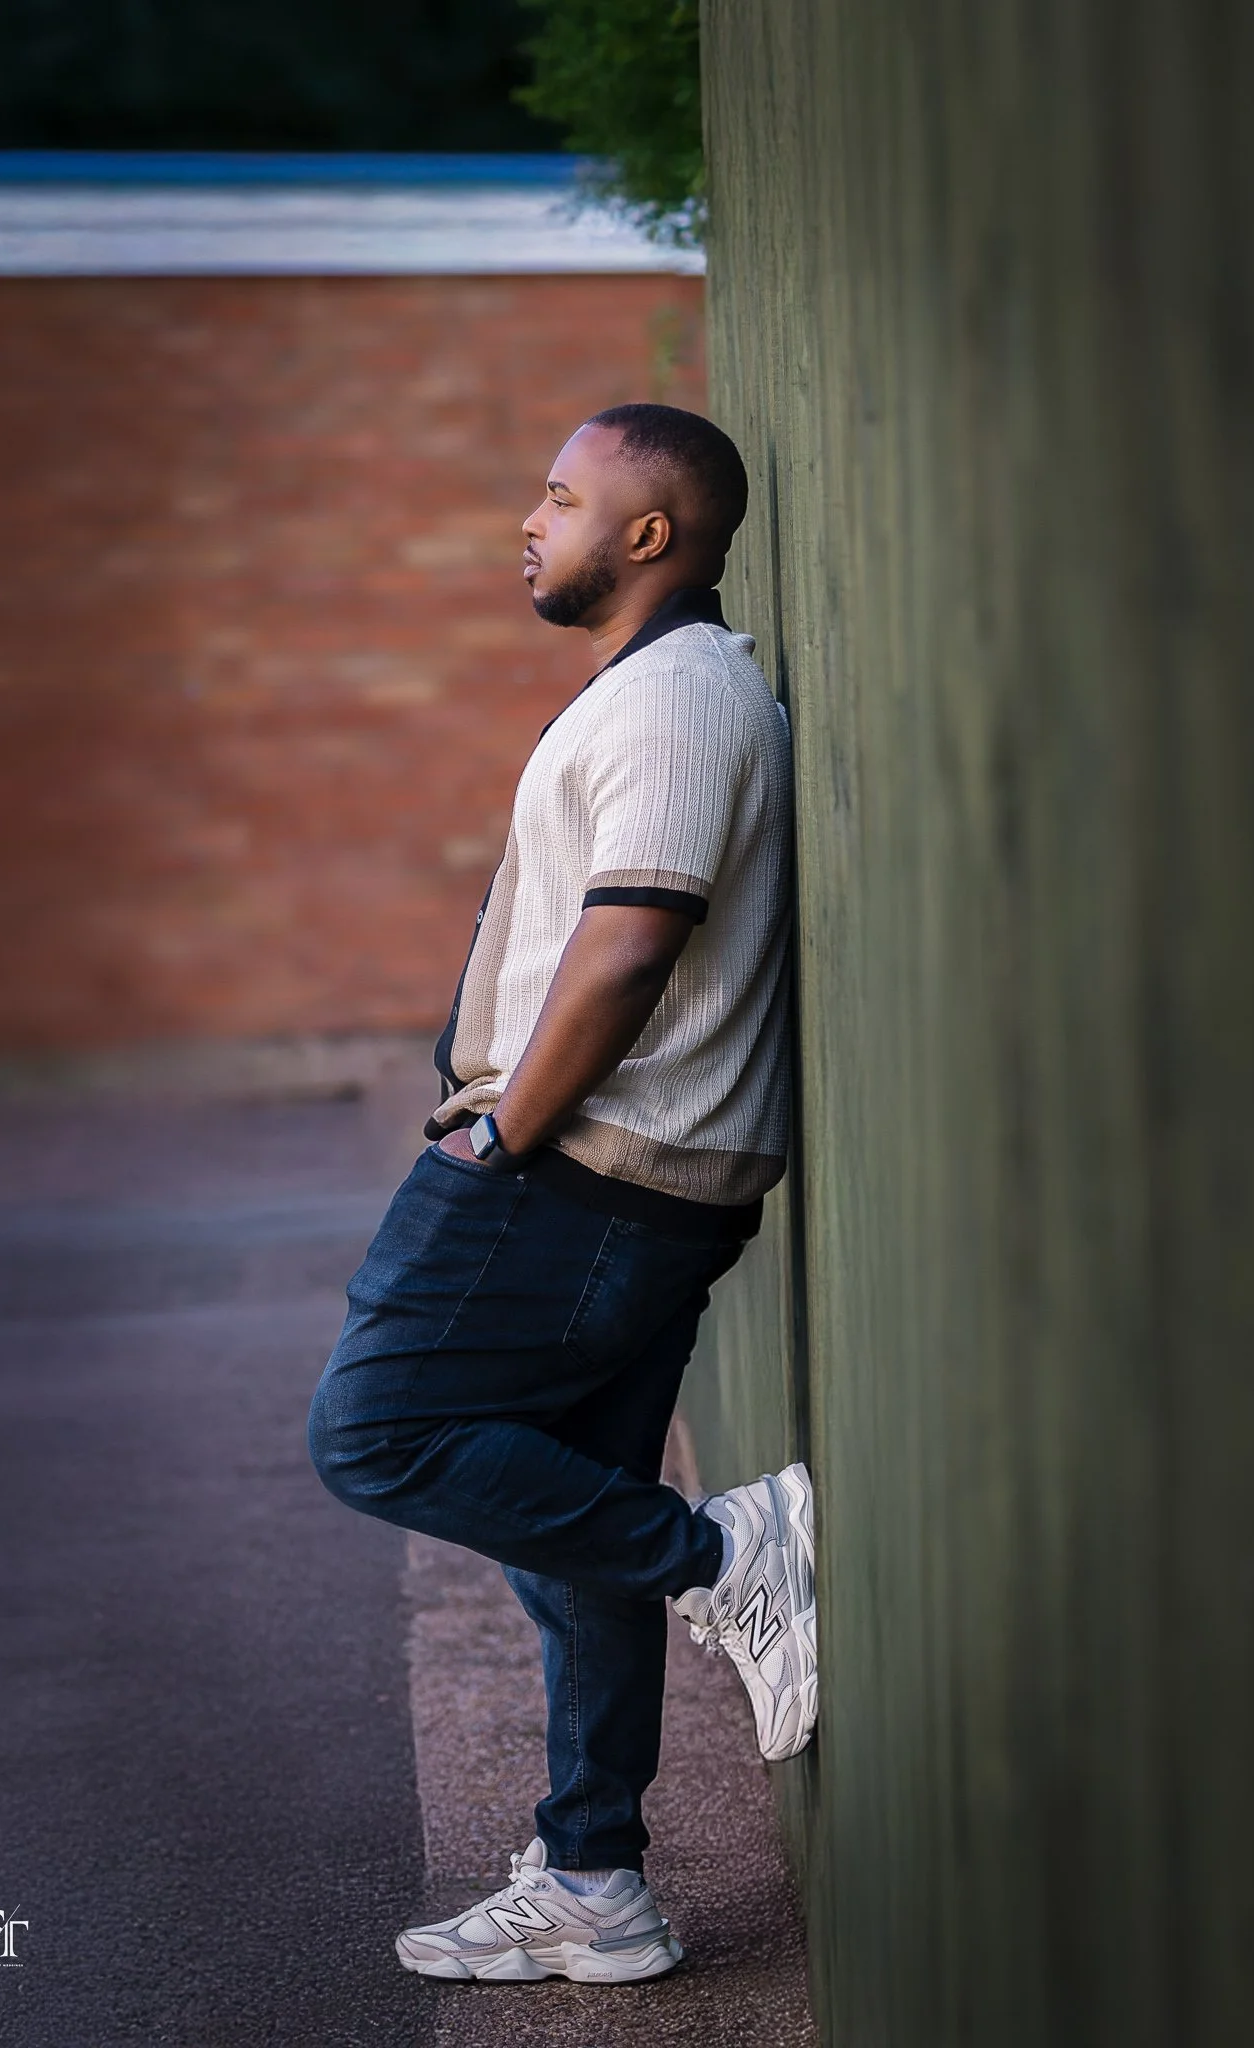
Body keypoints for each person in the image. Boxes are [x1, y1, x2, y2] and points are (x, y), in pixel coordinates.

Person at [308, 403, 816, 1985]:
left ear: (649, 534)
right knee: (569, 1533)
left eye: (559, 497)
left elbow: (631, 933)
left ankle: (729, 1557)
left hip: (580, 1173)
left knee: (375, 1431)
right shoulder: (656, 693)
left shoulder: (673, 701)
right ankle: (596, 1880)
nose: (529, 522)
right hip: (636, 1184)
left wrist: (500, 1136)